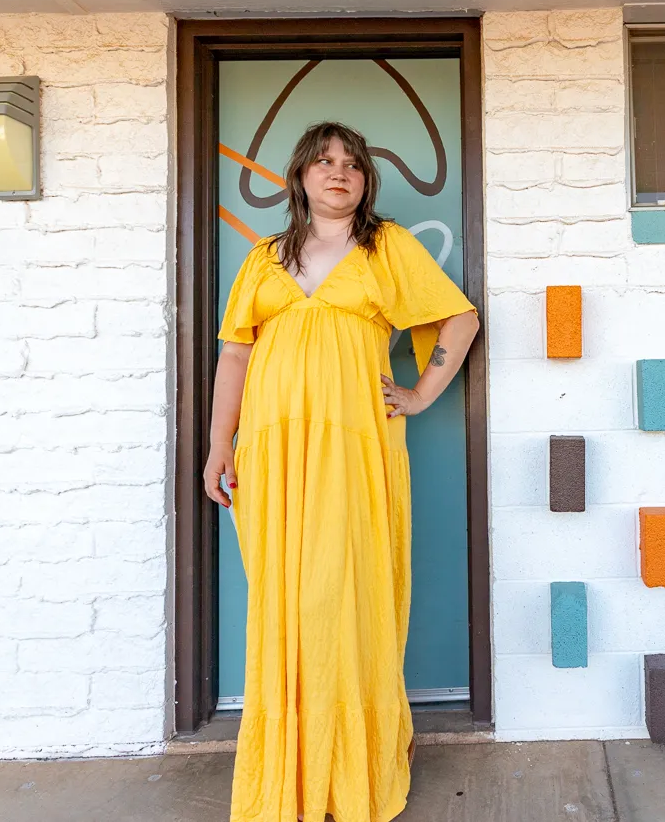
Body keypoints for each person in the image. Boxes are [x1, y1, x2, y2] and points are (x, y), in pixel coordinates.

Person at [204, 121, 479, 822]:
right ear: (300, 175)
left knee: (349, 597)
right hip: (274, 454)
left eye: (353, 163)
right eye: (324, 161)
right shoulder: (265, 258)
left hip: (356, 450)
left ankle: (354, 765)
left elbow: (460, 321)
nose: (339, 172)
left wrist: (417, 393)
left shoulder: (386, 247)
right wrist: (218, 444)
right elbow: (234, 354)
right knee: (286, 601)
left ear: (365, 181)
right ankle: (290, 772)